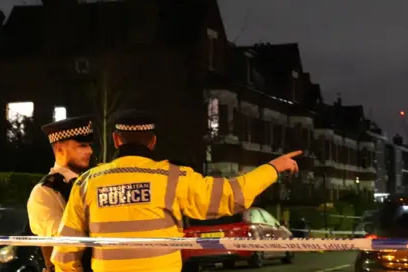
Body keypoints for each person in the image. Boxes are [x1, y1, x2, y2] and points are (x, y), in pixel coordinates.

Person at [53, 109, 302, 272]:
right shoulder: (173, 178)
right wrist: (273, 168)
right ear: (152, 142)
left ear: (117, 140)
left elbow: (65, 252)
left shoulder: (88, 182)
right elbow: (231, 195)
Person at [27, 116, 95, 272]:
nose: (90, 151)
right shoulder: (44, 192)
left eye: (89, 145)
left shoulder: (91, 181)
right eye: (82, 146)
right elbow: (63, 239)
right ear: (59, 149)